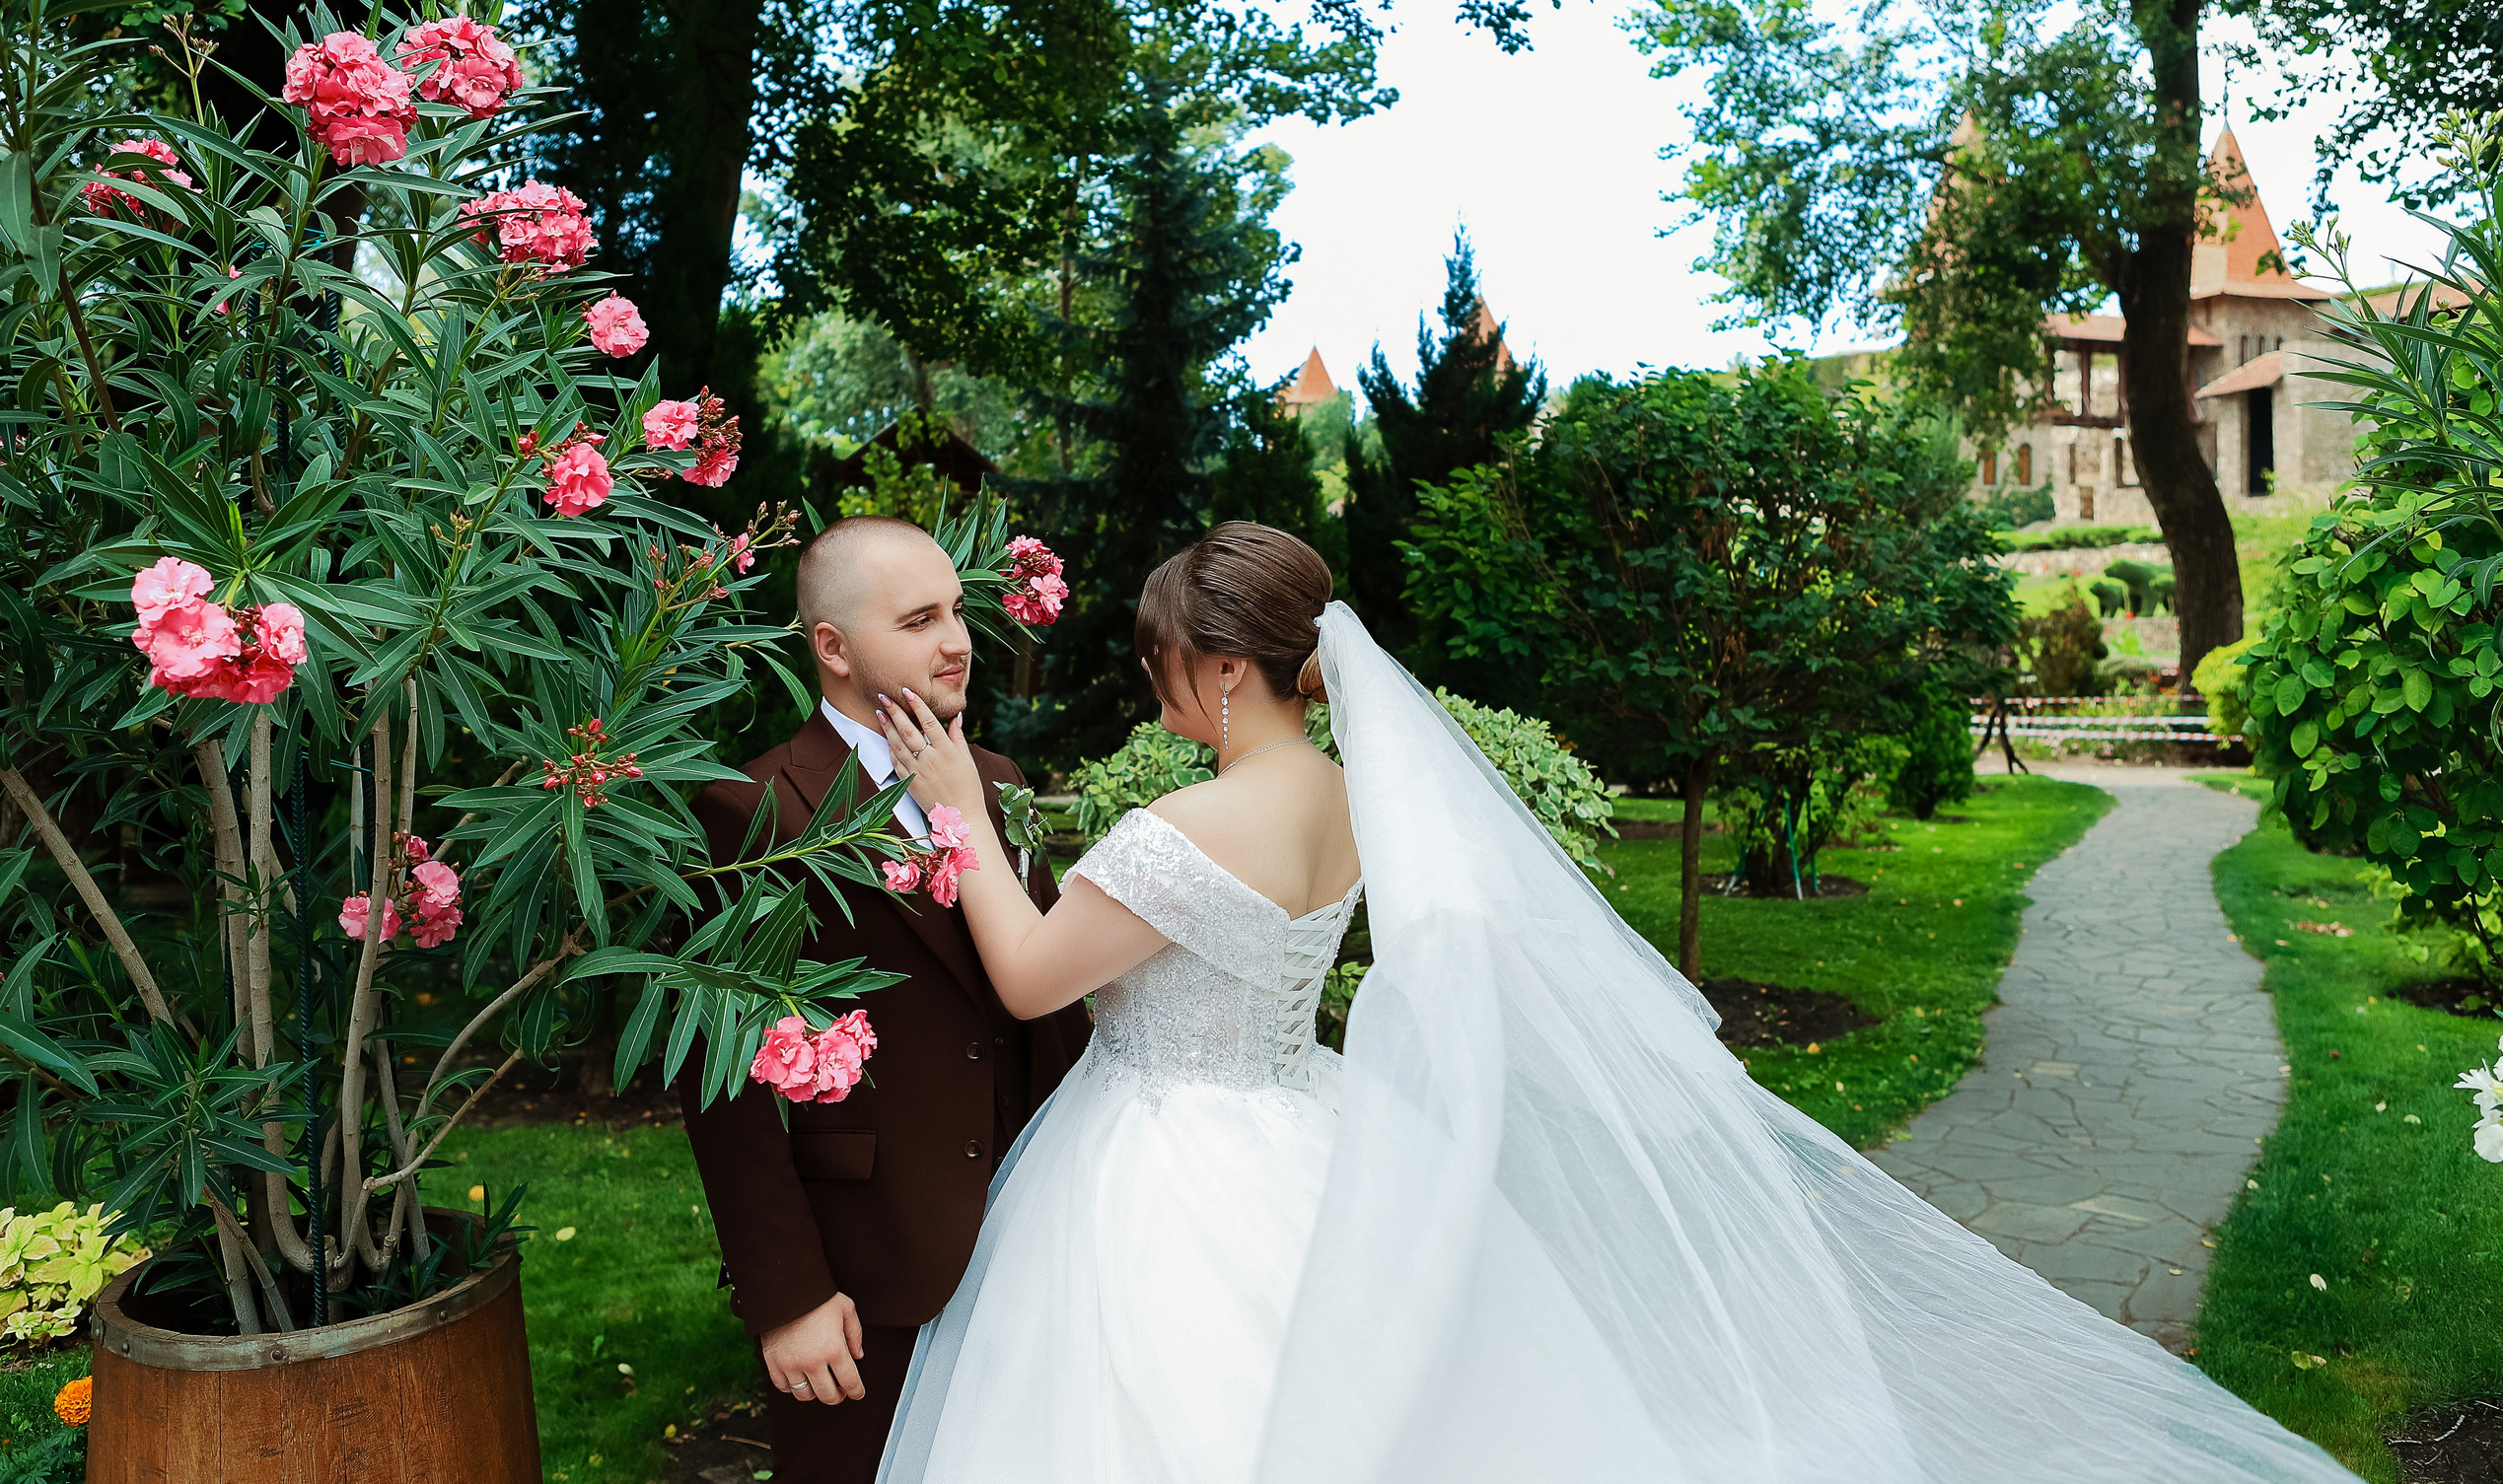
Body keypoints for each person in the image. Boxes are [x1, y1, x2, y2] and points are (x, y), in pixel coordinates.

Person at [866, 520, 2359, 1484]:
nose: (1154, 687)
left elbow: (1027, 970)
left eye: (1162, 661)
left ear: (1229, 667)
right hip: (1306, 1132)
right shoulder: (1346, 797)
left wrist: (960, 812)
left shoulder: (1179, 832)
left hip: (1165, 1173)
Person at [679, 514, 1091, 1484]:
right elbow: (719, 1078)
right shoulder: (752, 808)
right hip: (866, 1266)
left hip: (1029, 1235)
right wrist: (787, 1295)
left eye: (956, 611)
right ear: (833, 647)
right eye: (918, 620)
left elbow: (1047, 1015)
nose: (957, 641)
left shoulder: (996, 781)